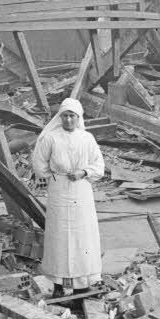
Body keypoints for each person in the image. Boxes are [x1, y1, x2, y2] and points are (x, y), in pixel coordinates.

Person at [31, 97, 105, 296]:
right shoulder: (51, 138)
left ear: (78, 117)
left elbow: (99, 166)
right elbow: (39, 164)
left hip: (81, 190)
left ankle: (84, 284)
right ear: (60, 117)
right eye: (65, 116)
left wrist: (83, 172)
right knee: (59, 236)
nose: (68, 120)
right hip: (59, 190)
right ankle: (57, 285)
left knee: (83, 236)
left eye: (72, 116)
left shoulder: (87, 138)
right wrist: (56, 177)